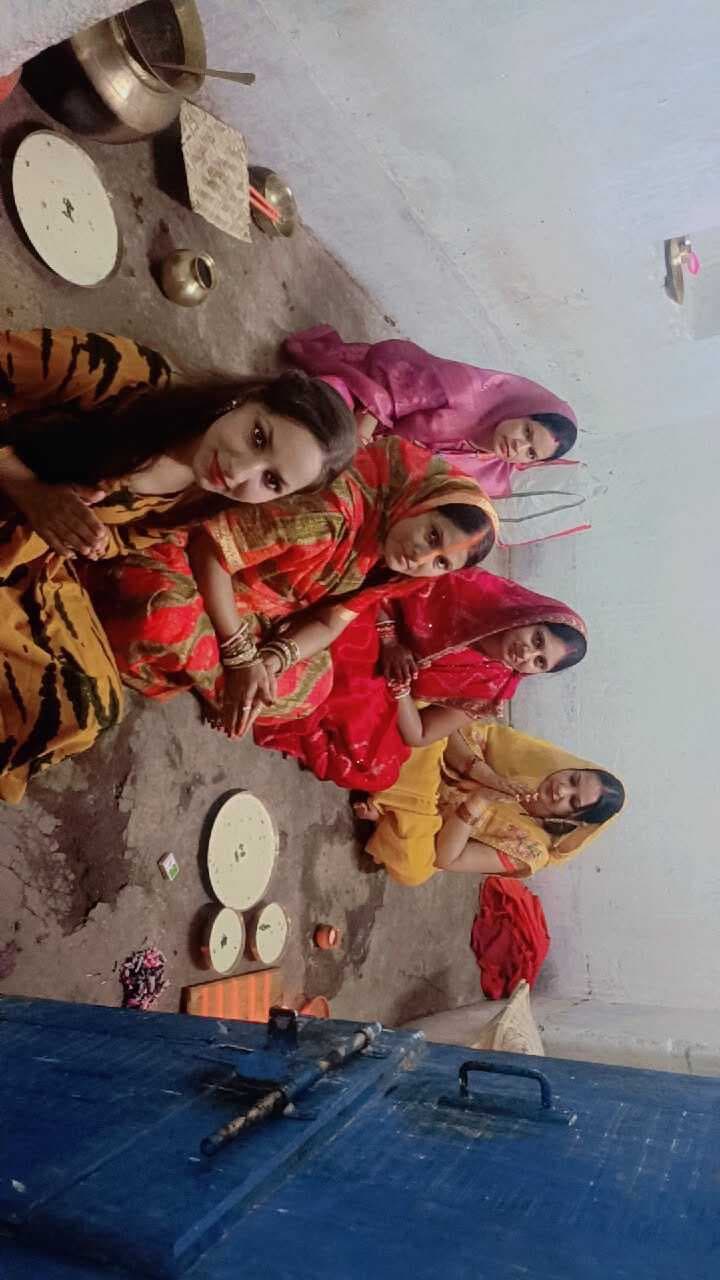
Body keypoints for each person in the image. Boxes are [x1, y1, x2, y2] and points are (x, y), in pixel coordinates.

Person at [0, 326, 357, 801]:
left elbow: (126, 537)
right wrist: (28, 488)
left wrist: (93, 539)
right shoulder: (123, 379)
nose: (240, 471)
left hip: (32, 558)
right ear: (250, 398)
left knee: (86, 707)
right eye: (258, 437)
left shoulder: (200, 496)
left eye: (271, 481)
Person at [88, 437, 499, 738]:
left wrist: (270, 661)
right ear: (421, 503)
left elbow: (331, 622)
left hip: (257, 614)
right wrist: (239, 656)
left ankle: (223, 683)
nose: (421, 558)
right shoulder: (330, 516)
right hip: (198, 564)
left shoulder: (390, 563)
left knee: (313, 688)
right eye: (432, 535)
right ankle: (216, 681)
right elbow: (209, 550)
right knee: (163, 616)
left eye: (441, 562)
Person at [254, 570, 588, 791]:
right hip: (369, 623)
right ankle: (279, 675)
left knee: (379, 769)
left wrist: (399, 687)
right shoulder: (473, 587)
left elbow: (420, 733)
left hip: (385, 684)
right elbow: (382, 579)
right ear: (531, 615)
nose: (526, 654)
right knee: (346, 653)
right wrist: (389, 641)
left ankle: (291, 685)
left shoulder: (493, 688)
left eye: (539, 662)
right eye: (538, 639)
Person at [284, 326, 580, 507]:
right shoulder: (462, 390)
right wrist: (365, 429)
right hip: (366, 411)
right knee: (322, 405)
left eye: (530, 453)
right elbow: (390, 369)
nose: (518, 446)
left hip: (377, 471)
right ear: (522, 412)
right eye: (527, 432)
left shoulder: (491, 481)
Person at [356, 722, 625, 887]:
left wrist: (480, 800)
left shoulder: (532, 850)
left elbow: (447, 858)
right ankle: (390, 811)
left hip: (431, 826)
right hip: (434, 772)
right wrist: (487, 776)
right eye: (573, 779)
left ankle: (389, 805)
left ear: (574, 820)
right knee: (432, 722)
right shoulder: (529, 764)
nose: (561, 790)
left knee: (414, 867)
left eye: (573, 801)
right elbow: (459, 731)